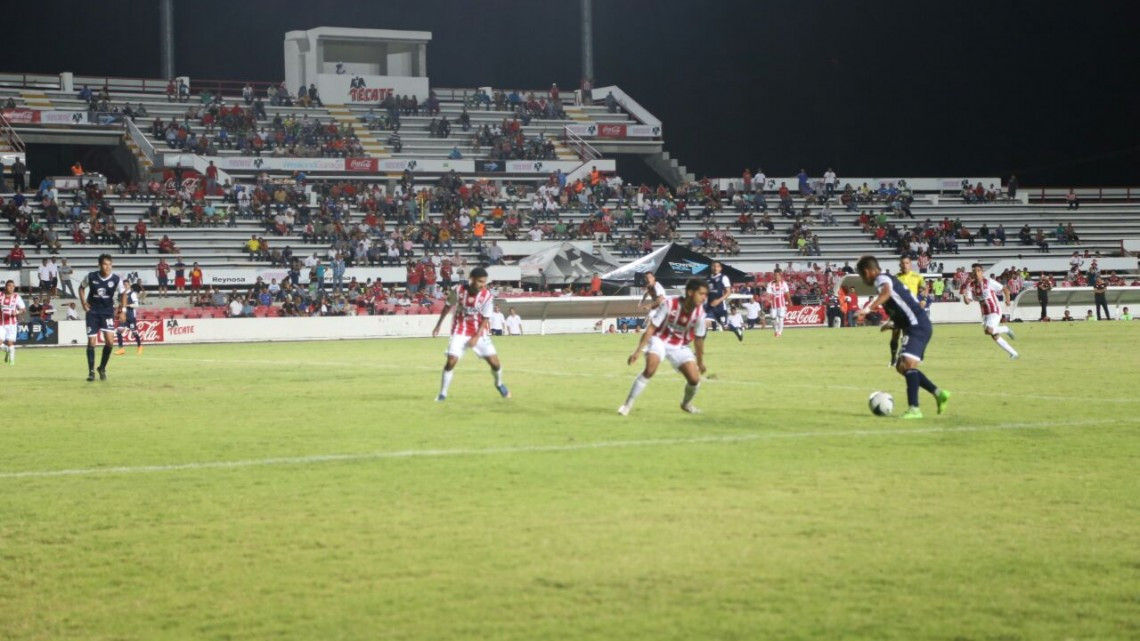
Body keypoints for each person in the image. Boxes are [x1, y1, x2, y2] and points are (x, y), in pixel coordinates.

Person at [856, 255, 950, 420]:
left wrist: (868, 308)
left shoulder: (881, 279)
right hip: (916, 325)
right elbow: (902, 306)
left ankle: (914, 409)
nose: (864, 280)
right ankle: (939, 393)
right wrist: (892, 323)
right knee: (902, 366)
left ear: (867, 272)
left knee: (906, 365)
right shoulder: (889, 277)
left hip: (917, 325)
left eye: (863, 276)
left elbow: (886, 292)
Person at [619, 278, 709, 415]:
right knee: (650, 369)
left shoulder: (700, 314)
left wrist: (700, 363)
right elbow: (651, 328)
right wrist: (637, 352)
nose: (704, 298)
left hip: (680, 346)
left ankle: (686, 404)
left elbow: (698, 340)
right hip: (659, 339)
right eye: (701, 294)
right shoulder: (670, 303)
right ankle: (627, 405)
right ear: (690, 292)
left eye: (706, 295)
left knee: (694, 379)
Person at [431, 267, 510, 401]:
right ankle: (442, 394)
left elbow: (485, 318)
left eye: (484, 282)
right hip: (460, 330)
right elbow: (448, 305)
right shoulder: (458, 290)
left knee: (495, 364)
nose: (482, 285)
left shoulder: (487, 296)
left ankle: (499, 383)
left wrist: (476, 337)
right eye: (480, 281)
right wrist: (438, 325)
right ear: (472, 279)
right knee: (451, 361)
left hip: (479, 332)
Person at [78, 254, 127, 382]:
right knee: (91, 342)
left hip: (107, 312)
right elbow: (81, 288)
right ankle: (91, 372)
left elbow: (123, 294)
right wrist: (83, 303)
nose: (108, 267)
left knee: (110, 342)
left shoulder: (116, 279)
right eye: (105, 264)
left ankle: (102, 368)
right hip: (92, 313)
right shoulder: (91, 276)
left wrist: (123, 310)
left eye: (110, 264)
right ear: (99, 265)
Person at [961, 263, 1018, 359]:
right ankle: (1013, 353)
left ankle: (1006, 329)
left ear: (982, 272)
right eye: (974, 271)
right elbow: (967, 302)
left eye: (978, 271)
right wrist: (964, 295)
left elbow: (1004, 289)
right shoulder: (971, 286)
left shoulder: (988, 281)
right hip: (985, 314)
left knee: (989, 330)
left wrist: (1007, 300)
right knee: (993, 335)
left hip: (994, 310)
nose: (976, 273)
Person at [705, 261, 741, 341]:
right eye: (714, 266)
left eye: (717, 266)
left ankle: (736, 330)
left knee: (725, 327)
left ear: (720, 268)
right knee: (704, 324)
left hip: (720, 307)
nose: (715, 268)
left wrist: (718, 300)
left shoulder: (723, 278)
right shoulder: (708, 279)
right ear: (711, 267)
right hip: (710, 306)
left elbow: (728, 292)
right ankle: (700, 348)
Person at [0, 280, 26, 366]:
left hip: (12, 324)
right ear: (5, 287)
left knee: (10, 343)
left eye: (13, 286)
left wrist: (17, 312)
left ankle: (11, 361)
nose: (11, 288)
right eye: (9, 286)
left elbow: (23, 309)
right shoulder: (0, 295)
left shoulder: (16, 297)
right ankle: (7, 350)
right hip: (1, 323)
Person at [115, 283, 144, 355]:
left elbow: (136, 304)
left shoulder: (132, 294)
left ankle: (140, 346)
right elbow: (118, 303)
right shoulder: (120, 294)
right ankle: (121, 349)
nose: (125, 286)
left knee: (134, 332)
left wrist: (126, 305)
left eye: (127, 284)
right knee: (118, 331)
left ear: (129, 286)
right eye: (124, 285)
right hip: (123, 315)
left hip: (131, 316)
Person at [766, 269, 791, 337]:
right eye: (775, 275)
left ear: (780, 276)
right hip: (773, 304)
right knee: (773, 319)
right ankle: (776, 331)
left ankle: (779, 332)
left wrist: (790, 301)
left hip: (782, 304)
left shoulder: (784, 283)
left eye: (777, 275)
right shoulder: (770, 284)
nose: (776, 276)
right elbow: (768, 294)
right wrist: (767, 300)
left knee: (781, 318)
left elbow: (787, 293)